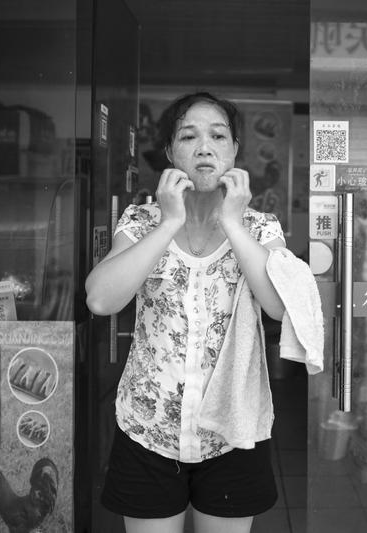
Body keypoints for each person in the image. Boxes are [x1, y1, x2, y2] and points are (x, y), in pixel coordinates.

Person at [85, 92, 287, 533]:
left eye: (218, 136)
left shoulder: (260, 227)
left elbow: (277, 305)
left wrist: (232, 222)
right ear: (170, 152)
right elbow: (100, 300)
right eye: (189, 136)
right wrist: (169, 222)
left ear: (235, 150)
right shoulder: (141, 221)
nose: (204, 147)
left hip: (232, 433)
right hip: (149, 429)